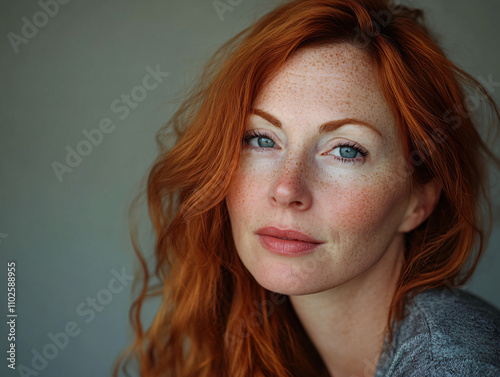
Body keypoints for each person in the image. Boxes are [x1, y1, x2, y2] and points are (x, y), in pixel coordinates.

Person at [113, 1, 500, 376]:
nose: (286, 188)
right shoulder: (261, 339)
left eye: (346, 150)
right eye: (262, 140)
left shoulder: (451, 363)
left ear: (419, 201)